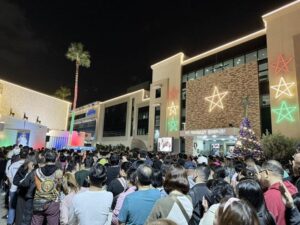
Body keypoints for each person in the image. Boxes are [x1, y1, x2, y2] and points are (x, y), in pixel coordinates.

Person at [259, 160, 298, 225]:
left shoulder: (270, 196)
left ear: (266, 173)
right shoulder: (293, 188)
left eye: (260, 172)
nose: (259, 176)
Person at [31, 149, 62, 225]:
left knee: (36, 221)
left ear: (44, 158)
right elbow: (59, 187)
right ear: (56, 158)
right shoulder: (59, 172)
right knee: (53, 222)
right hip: (53, 202)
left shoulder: (37, 171)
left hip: (39, 200)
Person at [13, 153, 37, 225]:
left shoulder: (36, 169)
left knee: (29, 216)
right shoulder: (22, 168)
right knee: (20, 214)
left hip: (32, 195)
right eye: (32, 164)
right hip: (22, 195)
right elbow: (15, 181)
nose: (33, 166)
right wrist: (28, 173)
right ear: (28, 162)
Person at [7, 148, 28, 225]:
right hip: (23, 189)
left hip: (13, 188)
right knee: (21, 207)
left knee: (12, 207)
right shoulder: (27, 166)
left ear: (19, 155)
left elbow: (9, 176)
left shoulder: (13, 165)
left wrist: (14, 183)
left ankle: (10, 222)